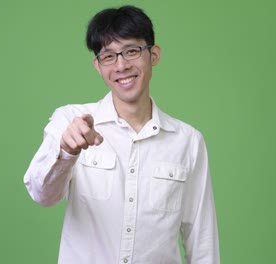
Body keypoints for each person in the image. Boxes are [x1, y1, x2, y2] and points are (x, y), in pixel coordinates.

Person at [24, 5, 220, 264]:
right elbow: (43, 195)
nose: (121, 65)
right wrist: (66, 152)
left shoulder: (188, 141)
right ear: (97, 65)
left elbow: (202, 238)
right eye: (109, 56)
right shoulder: (71, 121)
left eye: (131, 51)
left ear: (154, 55)